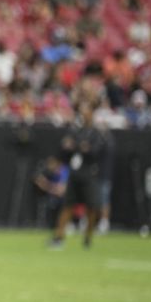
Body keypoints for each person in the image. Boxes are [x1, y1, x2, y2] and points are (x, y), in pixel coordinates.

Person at [50, 101, 110, 249]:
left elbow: (94, 152)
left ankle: (88, 238)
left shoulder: (96, 133)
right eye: (82, 111)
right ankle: (59, 237)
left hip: (89, 175)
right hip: (74, 174)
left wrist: (79, 146)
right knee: (67, 206)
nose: (83, 114)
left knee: (91, 208)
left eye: (86, 110)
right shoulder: (76, 131)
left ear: (91, 113)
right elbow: (66, 147)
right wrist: (78, 146)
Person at [32, 155, 68, 229]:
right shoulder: (54, 175)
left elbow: (61, 191)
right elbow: (54, 190)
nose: (49, 166)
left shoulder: (64, 172)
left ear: (57, 163)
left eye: (51, 164)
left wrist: (45, 184)